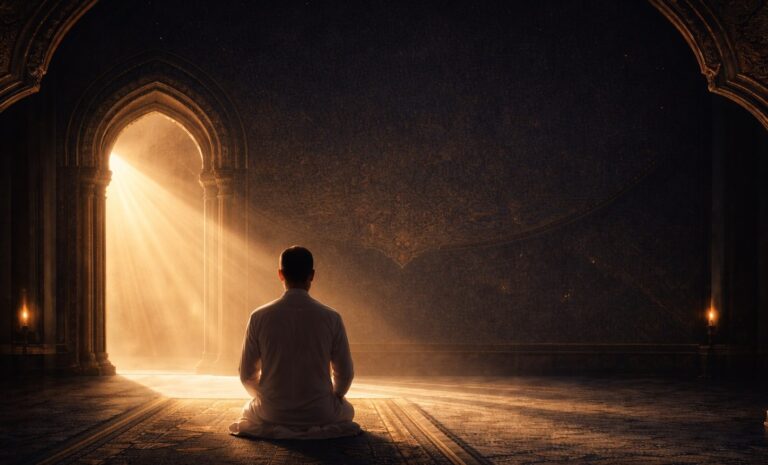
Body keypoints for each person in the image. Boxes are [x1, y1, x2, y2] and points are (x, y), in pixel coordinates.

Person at [229, 246, 360, 439]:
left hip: (271, 412)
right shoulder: (331, 317)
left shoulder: (259, 316)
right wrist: (334, 397)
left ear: (280, 274)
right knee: (347, 410)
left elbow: (246, 374)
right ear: (312, 275)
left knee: (248, 410)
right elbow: (345, 374)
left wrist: (268, 397)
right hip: (320, 412)